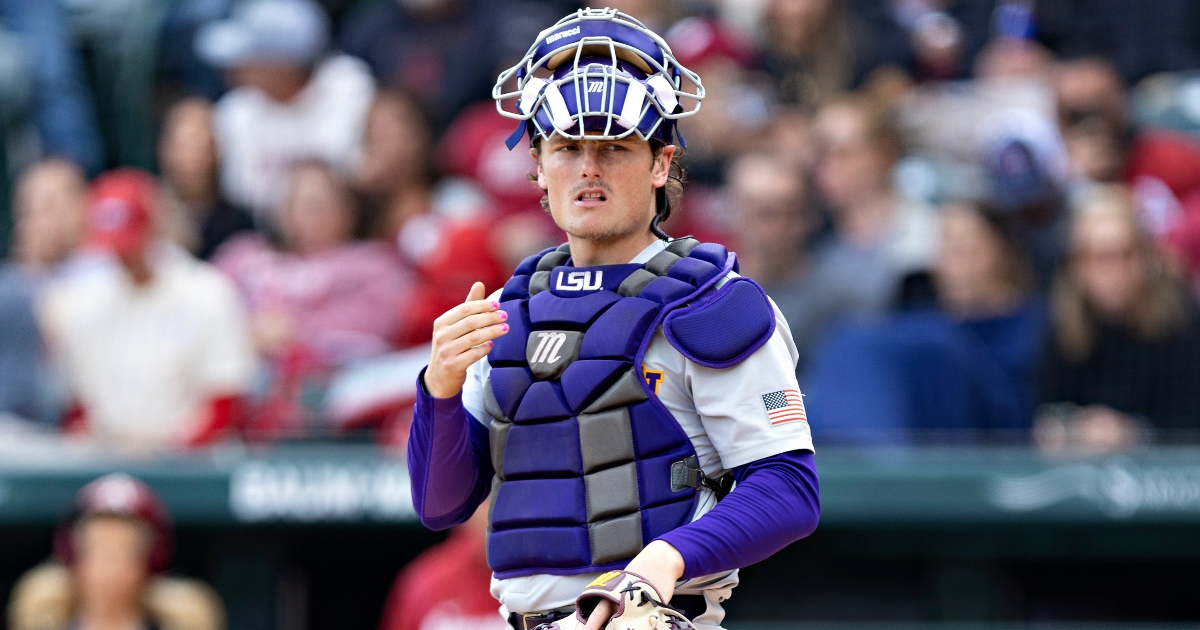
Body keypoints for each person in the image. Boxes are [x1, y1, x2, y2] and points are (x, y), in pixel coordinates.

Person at [407, 10, 820, 630]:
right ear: (539, 171)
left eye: (614, 148)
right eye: (567, 148)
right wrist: (436, 391)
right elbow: (440, 505)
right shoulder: (501, 311)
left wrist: (666, 558)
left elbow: (790, 488)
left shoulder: (711, 300)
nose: (588, 169)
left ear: (660, 165)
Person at [41, 169, 256, 450]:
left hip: (189, 467)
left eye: (130, 244)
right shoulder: (83, 301)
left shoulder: (207, 293)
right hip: (105, 460)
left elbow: (226, 401)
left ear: (153, 229)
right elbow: (77, 407)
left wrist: (166, 444)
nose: (122, 256)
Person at [805, 201, 1045, 444]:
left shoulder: (1034, 325)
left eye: (967, 243)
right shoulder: (915, 321)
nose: (956, 254)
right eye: (946, 243)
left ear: (1003, 249)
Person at [1036, 187, 1200, 450]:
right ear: (1076, 267)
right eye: (1096, 257)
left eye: (1123, 254)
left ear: (1145, 259)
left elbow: (1189, 425)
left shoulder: (1183, 324)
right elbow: (1047, 411)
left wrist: (1136, 434)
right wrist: (1066, 428)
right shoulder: (1061, 329)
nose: (1111, 271)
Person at [195, 0, 375, 223]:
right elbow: (242, 194)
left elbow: (364, 173)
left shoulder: (348, 86)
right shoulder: (237, 109)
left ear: (281, 65)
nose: (234, 68)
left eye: (250, 58)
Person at [6, 473, 223, 630]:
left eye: (123, 551)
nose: (109, 567)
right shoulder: (42, 620)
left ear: (150, 560)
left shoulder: (179, 623)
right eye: (97, 548)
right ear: (72, 554)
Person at [158, 97, 254, 260]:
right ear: (164, 149)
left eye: (199, 147)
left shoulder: (237, 222)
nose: (189, 158)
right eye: (181, 147)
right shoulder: (147, 211)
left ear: (217, 151)